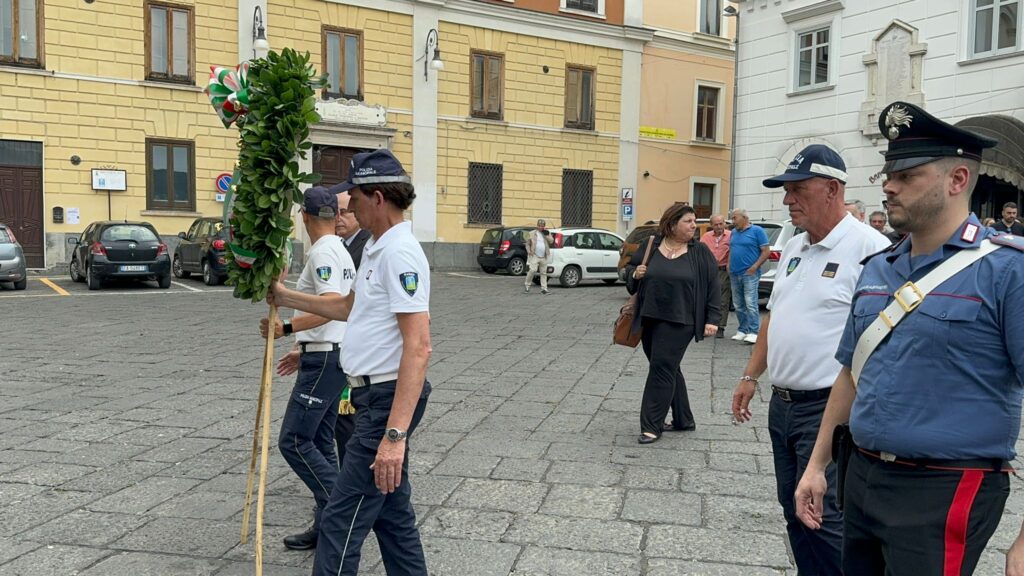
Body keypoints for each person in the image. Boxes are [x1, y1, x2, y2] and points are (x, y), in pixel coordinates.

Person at [793, 101, 1024, 576]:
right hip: (861, 475)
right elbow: (851, 374)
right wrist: (817, 465)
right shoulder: (879, 267)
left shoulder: (1007, 270)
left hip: (943, 487)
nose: (888, 187)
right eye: (886, 174)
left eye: (907, 175)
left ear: (957, 179)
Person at [269, 149, 431, 576]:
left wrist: (394, 436)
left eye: (354, 195)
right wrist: (286, 299)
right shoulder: (378, 248)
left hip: (385, 400)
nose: (348, 205)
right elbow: (345, 307)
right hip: (371, 396)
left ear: (378, 197)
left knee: (340, 522)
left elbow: (419, 346)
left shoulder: (400, 254)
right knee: (393, 519)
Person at [731, 144, 890, 575]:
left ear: (832, 190)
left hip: (828, 410)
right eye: (786, 190)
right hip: (783, 407)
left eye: (798, 189)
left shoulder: (871, 249)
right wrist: (751, 375)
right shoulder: (797, 246)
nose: (787, 200)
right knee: (792, 510)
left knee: (824, 517)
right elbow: (774, 314)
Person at [258, 186, 356, 551]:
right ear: (334, 215)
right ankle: (327, 525)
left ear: (305, 217)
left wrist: (286, 323)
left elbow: (331, 304)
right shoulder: (339, 249)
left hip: (326, 357)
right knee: (319, 441)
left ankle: (343, 508)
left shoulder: (325, 251)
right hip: (330, 353)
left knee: (294, 441)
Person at [625, 203, 720, 444]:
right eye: (688, 221)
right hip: (649, 317)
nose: (694, 225)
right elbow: (630, 273)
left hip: (682, 320)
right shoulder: (651, 245)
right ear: (672, 223)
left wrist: (712, 319)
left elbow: (713, 287)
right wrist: (635, 274)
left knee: (661, 368)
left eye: (694, 221)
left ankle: (651, 425)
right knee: (669, 368)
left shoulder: (700, 252)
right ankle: (683, 419)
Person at [728, 208, 769, 343]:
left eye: (735, 218)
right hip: (734, 272)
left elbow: (766, 251)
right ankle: (742, 329)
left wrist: (755, 267)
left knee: (750, 302)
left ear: (744, 217)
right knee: (738, 304)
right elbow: (732, 250)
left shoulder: (757, 231)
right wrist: (729, 265)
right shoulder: (733, 232)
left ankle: (753, 331)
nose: (733, 221)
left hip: (750, 273)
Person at [699, 214, 731, 338]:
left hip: (723, 270)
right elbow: (700, 252)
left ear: (724, 223)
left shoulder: (730, 235)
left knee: (723, 299)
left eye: (721, 224)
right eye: (716, 224)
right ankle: (705, 323)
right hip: (708, 270)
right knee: (706, 297)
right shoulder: (706, 237)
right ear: (711, 225)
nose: (719, 227)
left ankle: (720, 326)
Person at [524, 218, 551, 294]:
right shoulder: (532, 233)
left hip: (544, 256)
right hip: (534, 255)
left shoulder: (546, 233)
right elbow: (527, 244)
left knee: (543, 273)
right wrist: (529, 251)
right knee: (532, 270)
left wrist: (547, 235)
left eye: (542, 226)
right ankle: (527, 285)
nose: (541, 227)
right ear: (537, 226)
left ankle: (544, 289)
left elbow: (551, 241)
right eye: (539, 225)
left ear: (544, 226)